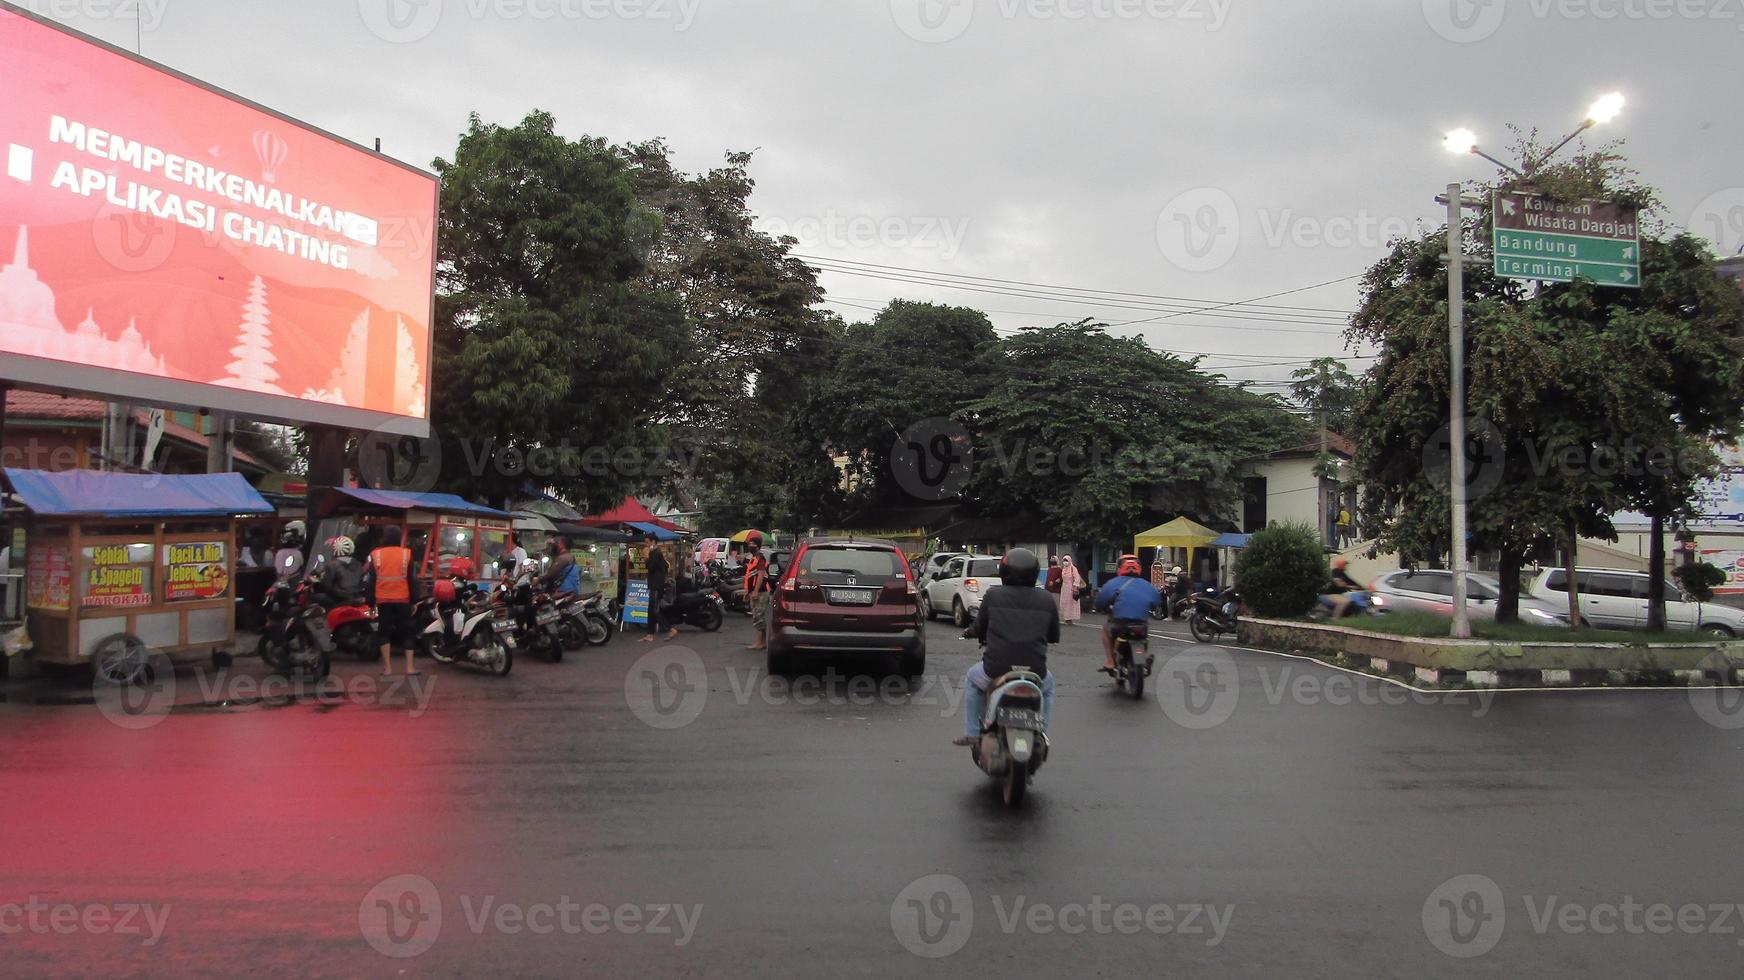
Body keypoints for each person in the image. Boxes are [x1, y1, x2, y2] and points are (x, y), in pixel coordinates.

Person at [954, 548, 1059, 747]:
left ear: (1004, 571)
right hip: (1035, 672)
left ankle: (973, 734)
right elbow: (1054, 636)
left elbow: (979, 626)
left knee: (971, 680)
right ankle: (1042, 733)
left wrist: (970, 632)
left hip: (995, 670)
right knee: (1049, 686)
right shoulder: (1046, 599)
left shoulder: (993, 595)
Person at [1095, 556, 1162, 672]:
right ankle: (1144, 656)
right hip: (1141, 624)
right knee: (1144, 636)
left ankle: (1110, 661)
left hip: (1120, 625)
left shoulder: (1112, 584)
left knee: (1106, 629)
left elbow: (1100, 602)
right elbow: (1157, 602)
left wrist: (1102, 608)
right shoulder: (1147, 585)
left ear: (1120, 569)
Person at [366, 526, 418, 675]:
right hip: (403, 598)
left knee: (384, 632)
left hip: (383, 599)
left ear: (385, 537)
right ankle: (410, 668)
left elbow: (371, 581)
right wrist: (414, 600)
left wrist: (371, 602)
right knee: (408, 632)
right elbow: (412, 579)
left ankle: (388, 669)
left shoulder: (376, 555)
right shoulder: (406, 554)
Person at [742, 532, 772, 651]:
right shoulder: (753, 558)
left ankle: (760, 642)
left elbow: (760, 576)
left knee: (758, 617)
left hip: (761, 592)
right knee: (758, 617)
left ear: (758, 546)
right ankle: (761, 642)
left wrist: (755, 591)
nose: (750, 546)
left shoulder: (760, 558)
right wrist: (747, 592)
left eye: (753, 544)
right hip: (755, 591)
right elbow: (750, 576)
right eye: (749, 544)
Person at [643, 540, 677, 642]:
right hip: (654, 585)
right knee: (650, 610)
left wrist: (646, 556)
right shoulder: (656, 553)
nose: (646, 544)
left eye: (647, 542)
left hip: (657, 586)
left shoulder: (656, 553)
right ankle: (650, 634)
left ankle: (670, 629)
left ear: (653, 542)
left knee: (655, 609)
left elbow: (650, 567)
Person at [1056, 555, 1085, 624]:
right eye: (1064, 561)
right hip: (1064, 587)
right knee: (1064, 602)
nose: (1065, 562)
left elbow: (1077, 578)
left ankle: (1069, 618)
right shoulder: (1064, 568)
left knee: (1070, 603)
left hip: (1070, 587)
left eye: (1066, 561)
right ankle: (1065, 617)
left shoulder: (1073, 568)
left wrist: (1075, 587)